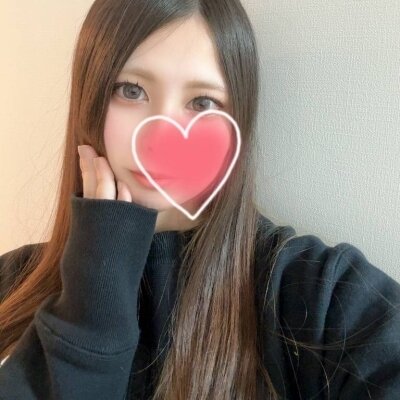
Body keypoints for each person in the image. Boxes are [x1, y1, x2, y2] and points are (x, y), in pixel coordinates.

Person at [1, 1, 399, 399]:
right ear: (90, 102)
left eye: (202, 103)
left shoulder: (319, 293)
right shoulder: (12, 282)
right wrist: (87, 321)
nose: (160, 138)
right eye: (131, 91)